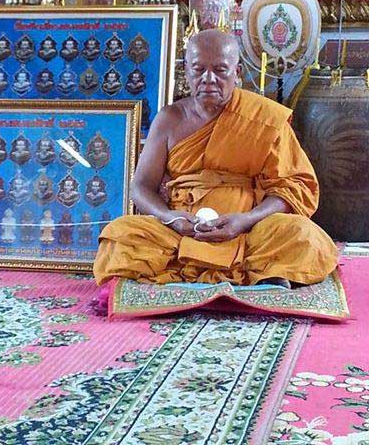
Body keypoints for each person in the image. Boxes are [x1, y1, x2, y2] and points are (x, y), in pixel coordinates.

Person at [94, 30, 338, 288]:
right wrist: (170, 218)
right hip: (181, 233)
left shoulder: (263, 118)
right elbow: (141, 187)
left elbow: (294, 187)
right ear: (186, 71)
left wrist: (246, 220)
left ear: (237, 72)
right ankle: (262, 275)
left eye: (220, 70)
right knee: (120, 235)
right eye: (199, 69)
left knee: (304, 236)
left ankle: (245, 271)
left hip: (250, 231)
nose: (208, 79)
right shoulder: (169, 119)